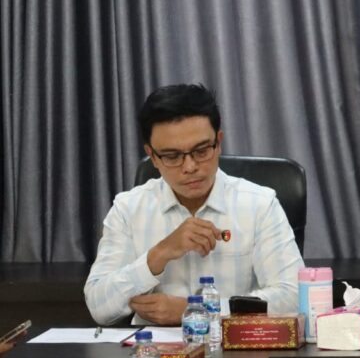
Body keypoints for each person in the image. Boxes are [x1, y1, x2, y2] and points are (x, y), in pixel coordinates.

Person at [85, 84, 304, 325]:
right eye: (172, 156)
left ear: (218, 142)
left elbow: (293, 297)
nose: (189, 167)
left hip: (233, 345)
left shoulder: (259, 205)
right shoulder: (128, 209)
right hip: (150, 347)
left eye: (201, 151)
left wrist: (197, 310)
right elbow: (99, 306)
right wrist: (158, 255)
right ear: (153, 156)